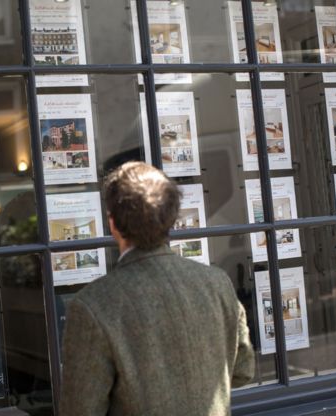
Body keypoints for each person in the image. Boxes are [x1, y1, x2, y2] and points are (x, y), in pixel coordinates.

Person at [59, 161, 255, 416]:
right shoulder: (217, 283)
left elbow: (80, 409)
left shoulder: (92, 305)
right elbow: (243, 370)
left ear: (112, 223)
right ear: (171, 219)